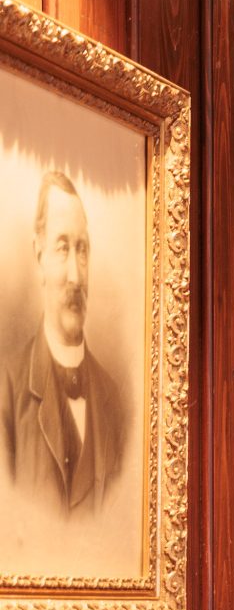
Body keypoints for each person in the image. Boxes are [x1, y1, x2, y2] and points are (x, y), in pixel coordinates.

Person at [5, 171, 125, 515]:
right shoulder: (7, 390)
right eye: (62, 248)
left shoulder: (113, 399)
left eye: (82, 249)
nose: (75, 274)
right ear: (38, 254)